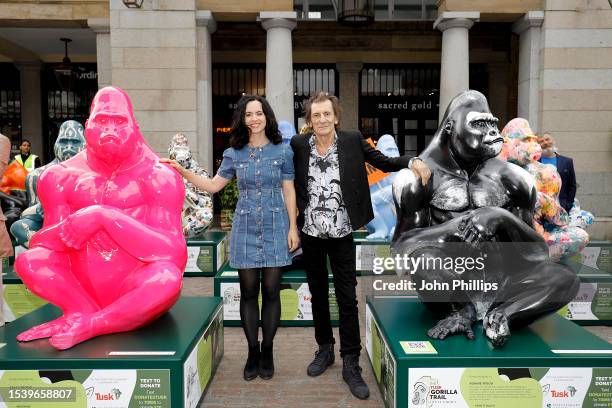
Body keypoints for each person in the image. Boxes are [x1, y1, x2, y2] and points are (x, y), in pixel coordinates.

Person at [14, 86, 187, 350]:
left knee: (167, 279)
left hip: (135, 282)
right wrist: (73, 225)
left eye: (119, 121)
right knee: (29, 261)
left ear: (134, 127)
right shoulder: (59, 177)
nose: (110, 129)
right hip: (81, 285)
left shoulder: (159, 176)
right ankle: (80, 312)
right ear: (88, 125)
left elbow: (173, 253)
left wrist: (104, 217)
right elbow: (46, 246)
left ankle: (94, 324)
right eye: (102, 120)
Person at [290, 91, 431, 400]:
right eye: (316, 115)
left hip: (342, 233)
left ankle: (350, 361)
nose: (322, 119)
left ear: (336, 117)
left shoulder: (352, 140)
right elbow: (284, 174)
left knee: (346, 297)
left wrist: (414, 161)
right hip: (311, 233)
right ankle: (325, 349)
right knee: (317, 296)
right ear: (309, 120)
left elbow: (386, 161)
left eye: (327, 114)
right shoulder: (299, 146)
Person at [163, 95, 299, 381]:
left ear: (267, 116)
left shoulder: (282, 151)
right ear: (243, 119)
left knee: (272, 291)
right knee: (249, 292)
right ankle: (252, 351)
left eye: (258, 113)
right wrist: (183, 171)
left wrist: (293, 228)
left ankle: (268, 350)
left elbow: (289, 190)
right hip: (245, 226)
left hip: (276, 225)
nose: (254, 119)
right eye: (248, 114)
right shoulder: (234, 153)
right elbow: (213, 186)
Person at [537, 133, 577, 213]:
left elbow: (572, 185)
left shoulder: (567, 162)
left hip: (561, 207)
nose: (545, 142)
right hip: (539, 208)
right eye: (541, 141)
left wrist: (567, 205)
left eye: (547, 139)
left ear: (553, 140)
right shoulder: (534, 162)